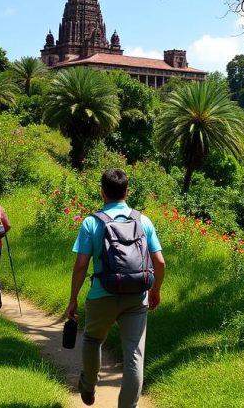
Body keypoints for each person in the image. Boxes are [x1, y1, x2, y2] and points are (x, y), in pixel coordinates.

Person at [65, 169, 165, 408]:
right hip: (136, 297)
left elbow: (81, 265)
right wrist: (155, 290)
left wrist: (73, 300)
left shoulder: (92, 222)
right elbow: (159, 261)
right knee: (134, 355)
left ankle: (88, 386)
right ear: (127, 192)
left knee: (92, 339)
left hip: (102, 294)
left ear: (102, 192)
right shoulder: (143, 221)